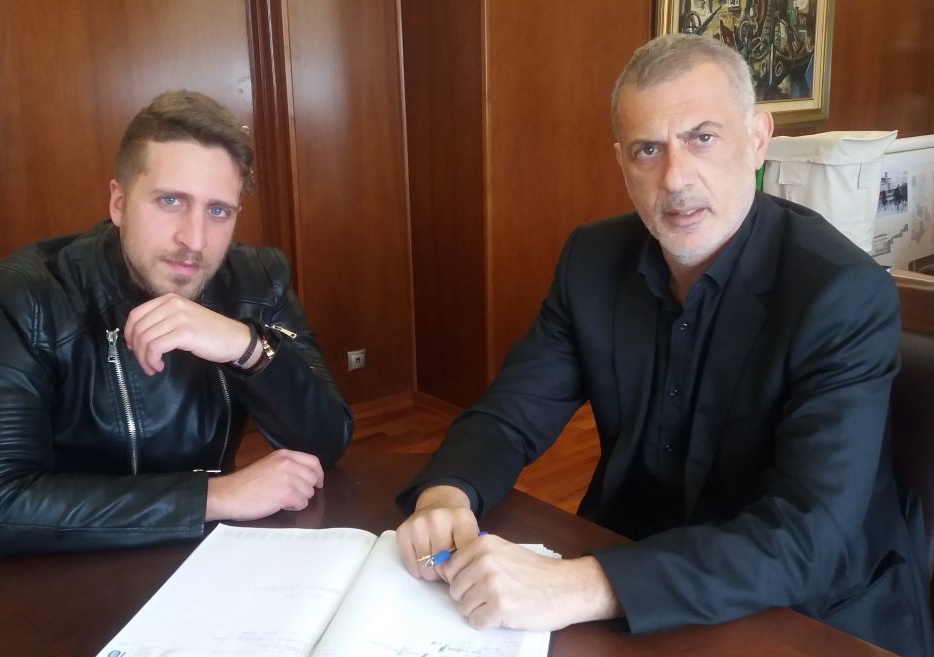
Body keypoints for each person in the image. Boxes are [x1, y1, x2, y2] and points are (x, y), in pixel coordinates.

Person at [395, 33, 933, 656]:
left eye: (702, 138)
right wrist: (448, 493)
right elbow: (511, 413)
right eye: (648, 149)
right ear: (621, 161)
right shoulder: (591, 260)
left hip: (807, 613)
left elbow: (807, 540)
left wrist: (578, 585)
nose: (675, 178)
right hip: (637, 566)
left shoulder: (840, 293)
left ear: (758, 138)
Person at [0, 91, 352, 558]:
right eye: (171, 200)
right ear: (118, 202)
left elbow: (326, 440)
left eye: (218, 210)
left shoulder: (257, 279)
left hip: (203, 559)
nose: (194, 240)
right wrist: (214, 497)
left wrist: (247, 346)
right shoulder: (27, 296)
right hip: (65, 570)